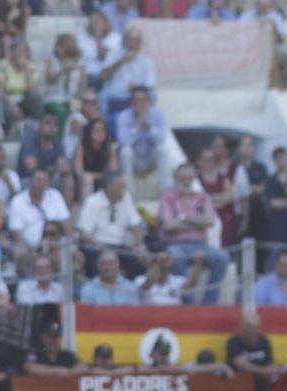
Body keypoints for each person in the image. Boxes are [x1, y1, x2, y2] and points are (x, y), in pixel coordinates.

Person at [158, 162, 227, 305]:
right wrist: (197, 221)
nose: (186, 180)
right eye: (183, 177)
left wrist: (183, 217)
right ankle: (187, 301)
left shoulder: (203, 197)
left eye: (189, 177)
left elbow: (210, 221)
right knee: (175, 256)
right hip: (176, 244)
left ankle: (209, 302)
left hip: (200, 244)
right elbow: (169, 225)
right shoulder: (167, 197)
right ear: (176, 178)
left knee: (222, 258)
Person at [77, 172, 144, 278]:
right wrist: (100, 245)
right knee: (96, 265)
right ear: (110, 187)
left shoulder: (125, 197)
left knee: (140, 265)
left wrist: (141, 246)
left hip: (120, 247)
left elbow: (135, 223)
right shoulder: (93, 202)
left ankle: (127, 291)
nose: (125, 189)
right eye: (122, 187)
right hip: (98, 247)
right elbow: (84, 234)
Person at [6, 167, 69, 254]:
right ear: (30, 180)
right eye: (38, 180)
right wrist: (35, 250)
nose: (41, 184)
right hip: (30, 249)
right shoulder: (18, 201)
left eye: (45, 181)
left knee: (78, 256)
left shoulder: (56, 196)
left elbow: (66, 223)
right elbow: (16, 234)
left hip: (56, 246)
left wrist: (68, 243)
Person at [99, 26, 154, 120]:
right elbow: (104, 76)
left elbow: (149, 86)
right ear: (124, 41)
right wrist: (121, 61)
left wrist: (136, 88)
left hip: (136, 102)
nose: (132, 44)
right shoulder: (113, 55)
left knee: (151, 97)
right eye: (130, 40)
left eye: (136, 41)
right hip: (117, 100)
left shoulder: (147, 62)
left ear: (140, 44)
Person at [113, 85, 163, 178]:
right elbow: (124, 143)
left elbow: (161, 140)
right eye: (137, 100)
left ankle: (166, 189)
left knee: (163, 150)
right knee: (125, 152)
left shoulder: (158, 114)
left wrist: (149, 127)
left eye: (144, 100)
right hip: (134, 159)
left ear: (149, 101)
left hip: (151, 158)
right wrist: (137, 126)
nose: (141, 103)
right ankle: (128, 191)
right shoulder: (123, 116)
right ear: (132, 103)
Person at [224, 313, 280, 391]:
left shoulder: (264, 342)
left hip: (262, 390)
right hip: (240, 390)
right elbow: (241, 366)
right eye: (250, 327)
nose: (254, 330)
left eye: (257, 327)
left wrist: (251, 368)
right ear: (242, 328)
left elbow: (272, 369)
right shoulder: (233, 342)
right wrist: (265, 371)